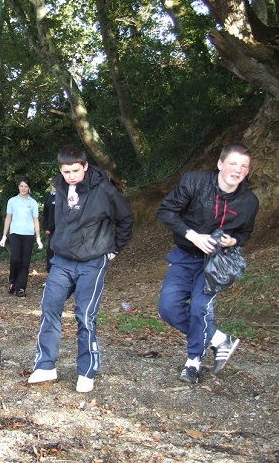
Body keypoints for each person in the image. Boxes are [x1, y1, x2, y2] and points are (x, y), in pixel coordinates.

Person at [28, 145, 133, 393]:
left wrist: (114, 249)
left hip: (92, 262)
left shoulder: (104, 190)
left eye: (76, 170)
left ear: (85, 166)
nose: (71, 175)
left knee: (85, 316)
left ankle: (86, 372)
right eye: (66, 171)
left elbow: (126, 219)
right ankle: (45, 365)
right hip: (62, 261)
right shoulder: (60, 188)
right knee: (49, 308)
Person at [157, 143, 259, 384]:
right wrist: (192, 235)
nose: (238, 170)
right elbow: (166, 211)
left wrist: (232, 240)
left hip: (215, 262)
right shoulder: (194, 182)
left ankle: (193, 362)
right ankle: (219, 340)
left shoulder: (249, 201)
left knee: (200, 309)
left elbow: (246, 233)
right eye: (233, 163)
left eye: (244, 166)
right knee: (168, 308)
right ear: (220, 164)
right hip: (184, 255)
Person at [0, 178, 43, 297]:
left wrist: (38, 237)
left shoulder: (33, 203)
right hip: (15, 233)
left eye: (25, 186)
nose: (23, 188)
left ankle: (21, 287)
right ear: (18, 187)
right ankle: (12, 281)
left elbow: (36, 220)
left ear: (29, 188)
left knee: (25, 261)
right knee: (15, 259)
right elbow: (8, 218)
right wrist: (4, 236)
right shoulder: (12, 201)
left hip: (28, 234)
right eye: (21, 186)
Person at [42, 178, 57, 273]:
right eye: (53, 184)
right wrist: (46, 227)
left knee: (55, 251)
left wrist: (50, 227)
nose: (54, 186)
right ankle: (50, 272)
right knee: (50, 251)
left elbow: (59, 215)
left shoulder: (62, 197)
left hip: (58, 229)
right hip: (50, 230)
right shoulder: (48, 197)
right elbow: (45, 213)